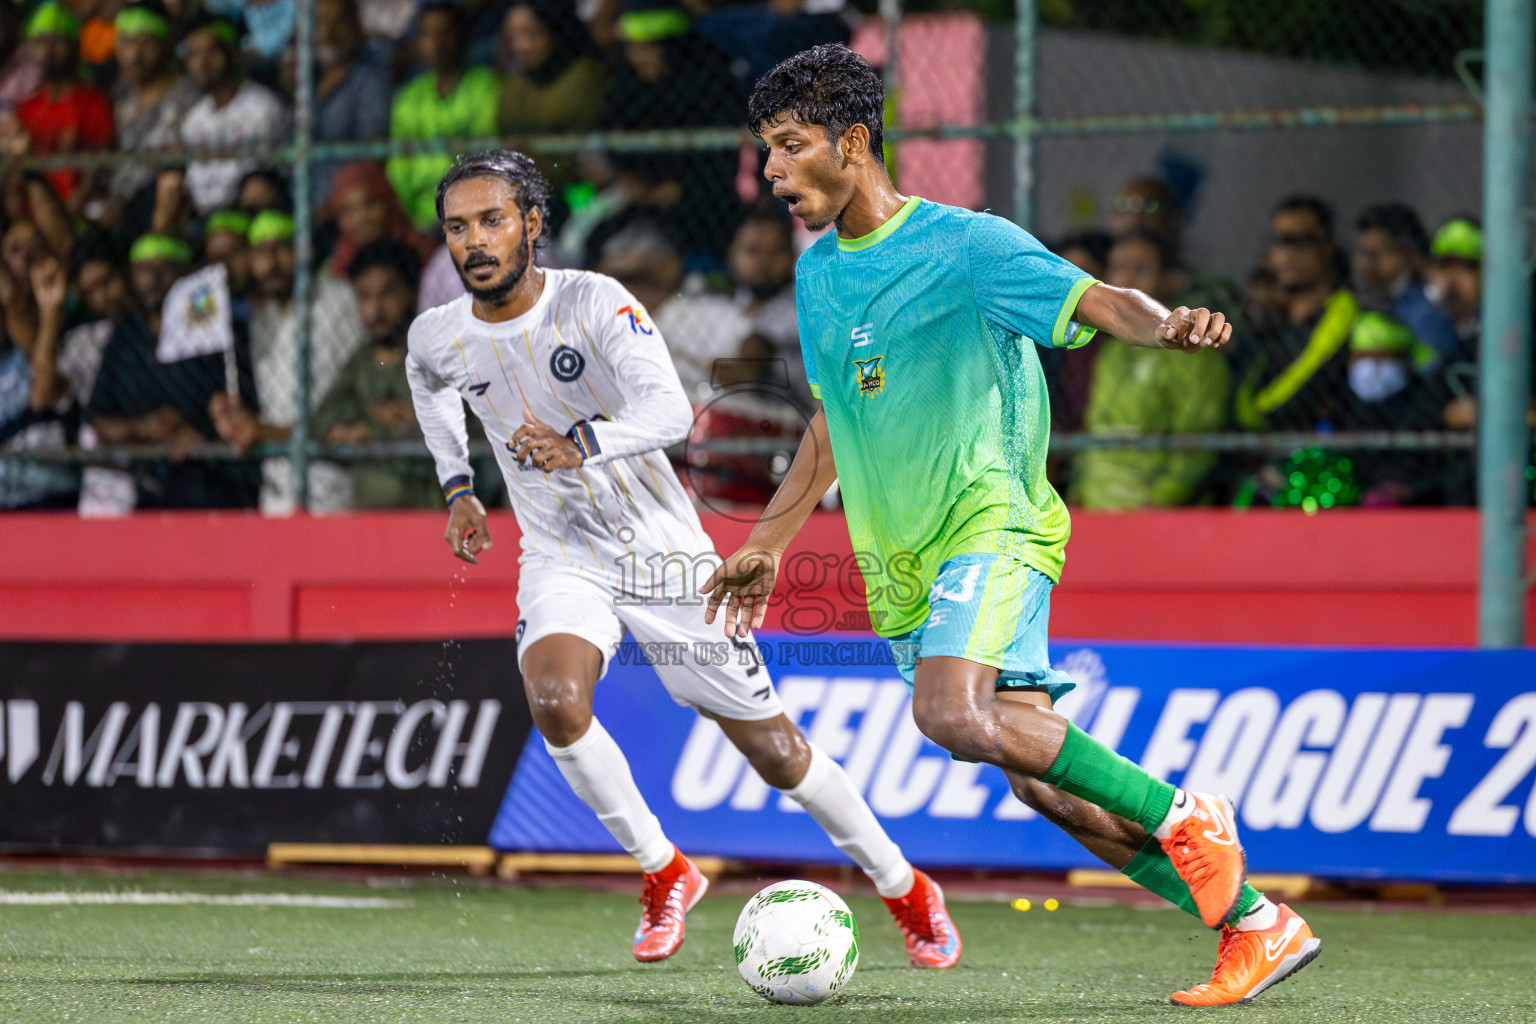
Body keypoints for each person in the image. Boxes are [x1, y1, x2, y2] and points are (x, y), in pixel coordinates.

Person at [703, 44, 1320, 1008]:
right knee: (1039, 781)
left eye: (790, 146)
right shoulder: (820, 274)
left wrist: (1164, 326)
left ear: (854, 143)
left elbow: (1096, 298)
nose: (772, 171)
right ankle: (1255, 924)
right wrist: (764, 545)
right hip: (900, 562)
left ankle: (1188, 815)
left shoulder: (968, 245)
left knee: (950, 713)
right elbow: (830, 420)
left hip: (991, 523)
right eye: (766, 150)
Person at [406, 149, 961, 968]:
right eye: (458, 228)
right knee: (557, 699)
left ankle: (905, 887)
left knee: (776, 753)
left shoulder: (595, 302)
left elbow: (670, 411)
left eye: (492, 221)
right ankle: (664, 871)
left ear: (531, 223)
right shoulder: (439, 333)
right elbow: (427, 382)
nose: (475, 242)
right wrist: (457, 486)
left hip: (664, 556)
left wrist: (579, 444)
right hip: (561, 556)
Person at [212, 209, 364, 513]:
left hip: (332, 479)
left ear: (302, 250)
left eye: (282, 248)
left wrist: (263, 431)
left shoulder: (338, 301)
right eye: (261, 252)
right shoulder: (260, 318)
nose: (271, 263)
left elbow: (350, 405)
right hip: (275, 484)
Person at [1071, 230, 1230, 509]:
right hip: (1092, 506)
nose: (1127, 281)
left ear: (1171, 280)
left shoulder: (1195, 355)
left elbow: (1196, 447)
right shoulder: (1110, 352)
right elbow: (1094, 435)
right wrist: (1076, 496)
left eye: (1141, 269)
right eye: (1118, 268)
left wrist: (1158, 503)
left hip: (1155, 512)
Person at [311, 239, 441, 508]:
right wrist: (369, 419)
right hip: (370, 522)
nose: (374, 311)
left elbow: (438, 421)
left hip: (429, 515)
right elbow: (322, 419)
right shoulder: (361, 362)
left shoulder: (434, 355)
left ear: (411, 293)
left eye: (387, 295)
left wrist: (377, 426)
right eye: (365, 297)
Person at [387, 2, 500, 229]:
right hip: (419, 216)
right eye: (427, 34)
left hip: (470, 209)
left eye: (445, 33)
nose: (436, 43)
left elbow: (484, 151)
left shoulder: (485, 87)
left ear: (464, 38)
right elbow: (398, 167)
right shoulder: (408, 97)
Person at [179, 12, 291, 216]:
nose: (202, 63)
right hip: (203, 216)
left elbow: (263, 179)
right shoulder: (194, 118)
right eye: (193, 54)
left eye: (212, 52)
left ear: (233, 54)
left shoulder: (261, 107)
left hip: (247, 212)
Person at [14, 3, 115, 207]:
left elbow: (98, 161)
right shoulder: (25, 107)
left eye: (58, 41)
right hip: (32, 211)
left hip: (77, 209)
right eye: (40, 42)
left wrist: (73, 210)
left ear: (76, 47)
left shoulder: (94, 101)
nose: (48, 51)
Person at [110, 0, 198, 207]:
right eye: (126, 42)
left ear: (167, 44)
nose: (134, 55)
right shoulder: (120, 100)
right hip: (119, 207)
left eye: (146, 43)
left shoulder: (190, 97)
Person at [312, 0, 391, 206]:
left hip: (345, 206)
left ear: (355, 26)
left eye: (338, 23)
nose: (328, 33)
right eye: (321, 23)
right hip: (306, 199)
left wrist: (333, 206)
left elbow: (372, 158)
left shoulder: (369, 80)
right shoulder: (308, 79)